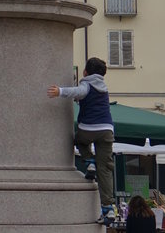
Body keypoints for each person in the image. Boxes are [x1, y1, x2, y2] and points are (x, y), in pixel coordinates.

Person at [47, 56, 116, 206]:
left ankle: (89, 161)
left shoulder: (87, 86)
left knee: (79, 140)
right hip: (107, 130)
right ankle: (108, 206)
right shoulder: (104, 89)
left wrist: (59, 91)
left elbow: (76, 91)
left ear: (85, 72)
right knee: (105, 169)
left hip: (89, 128)